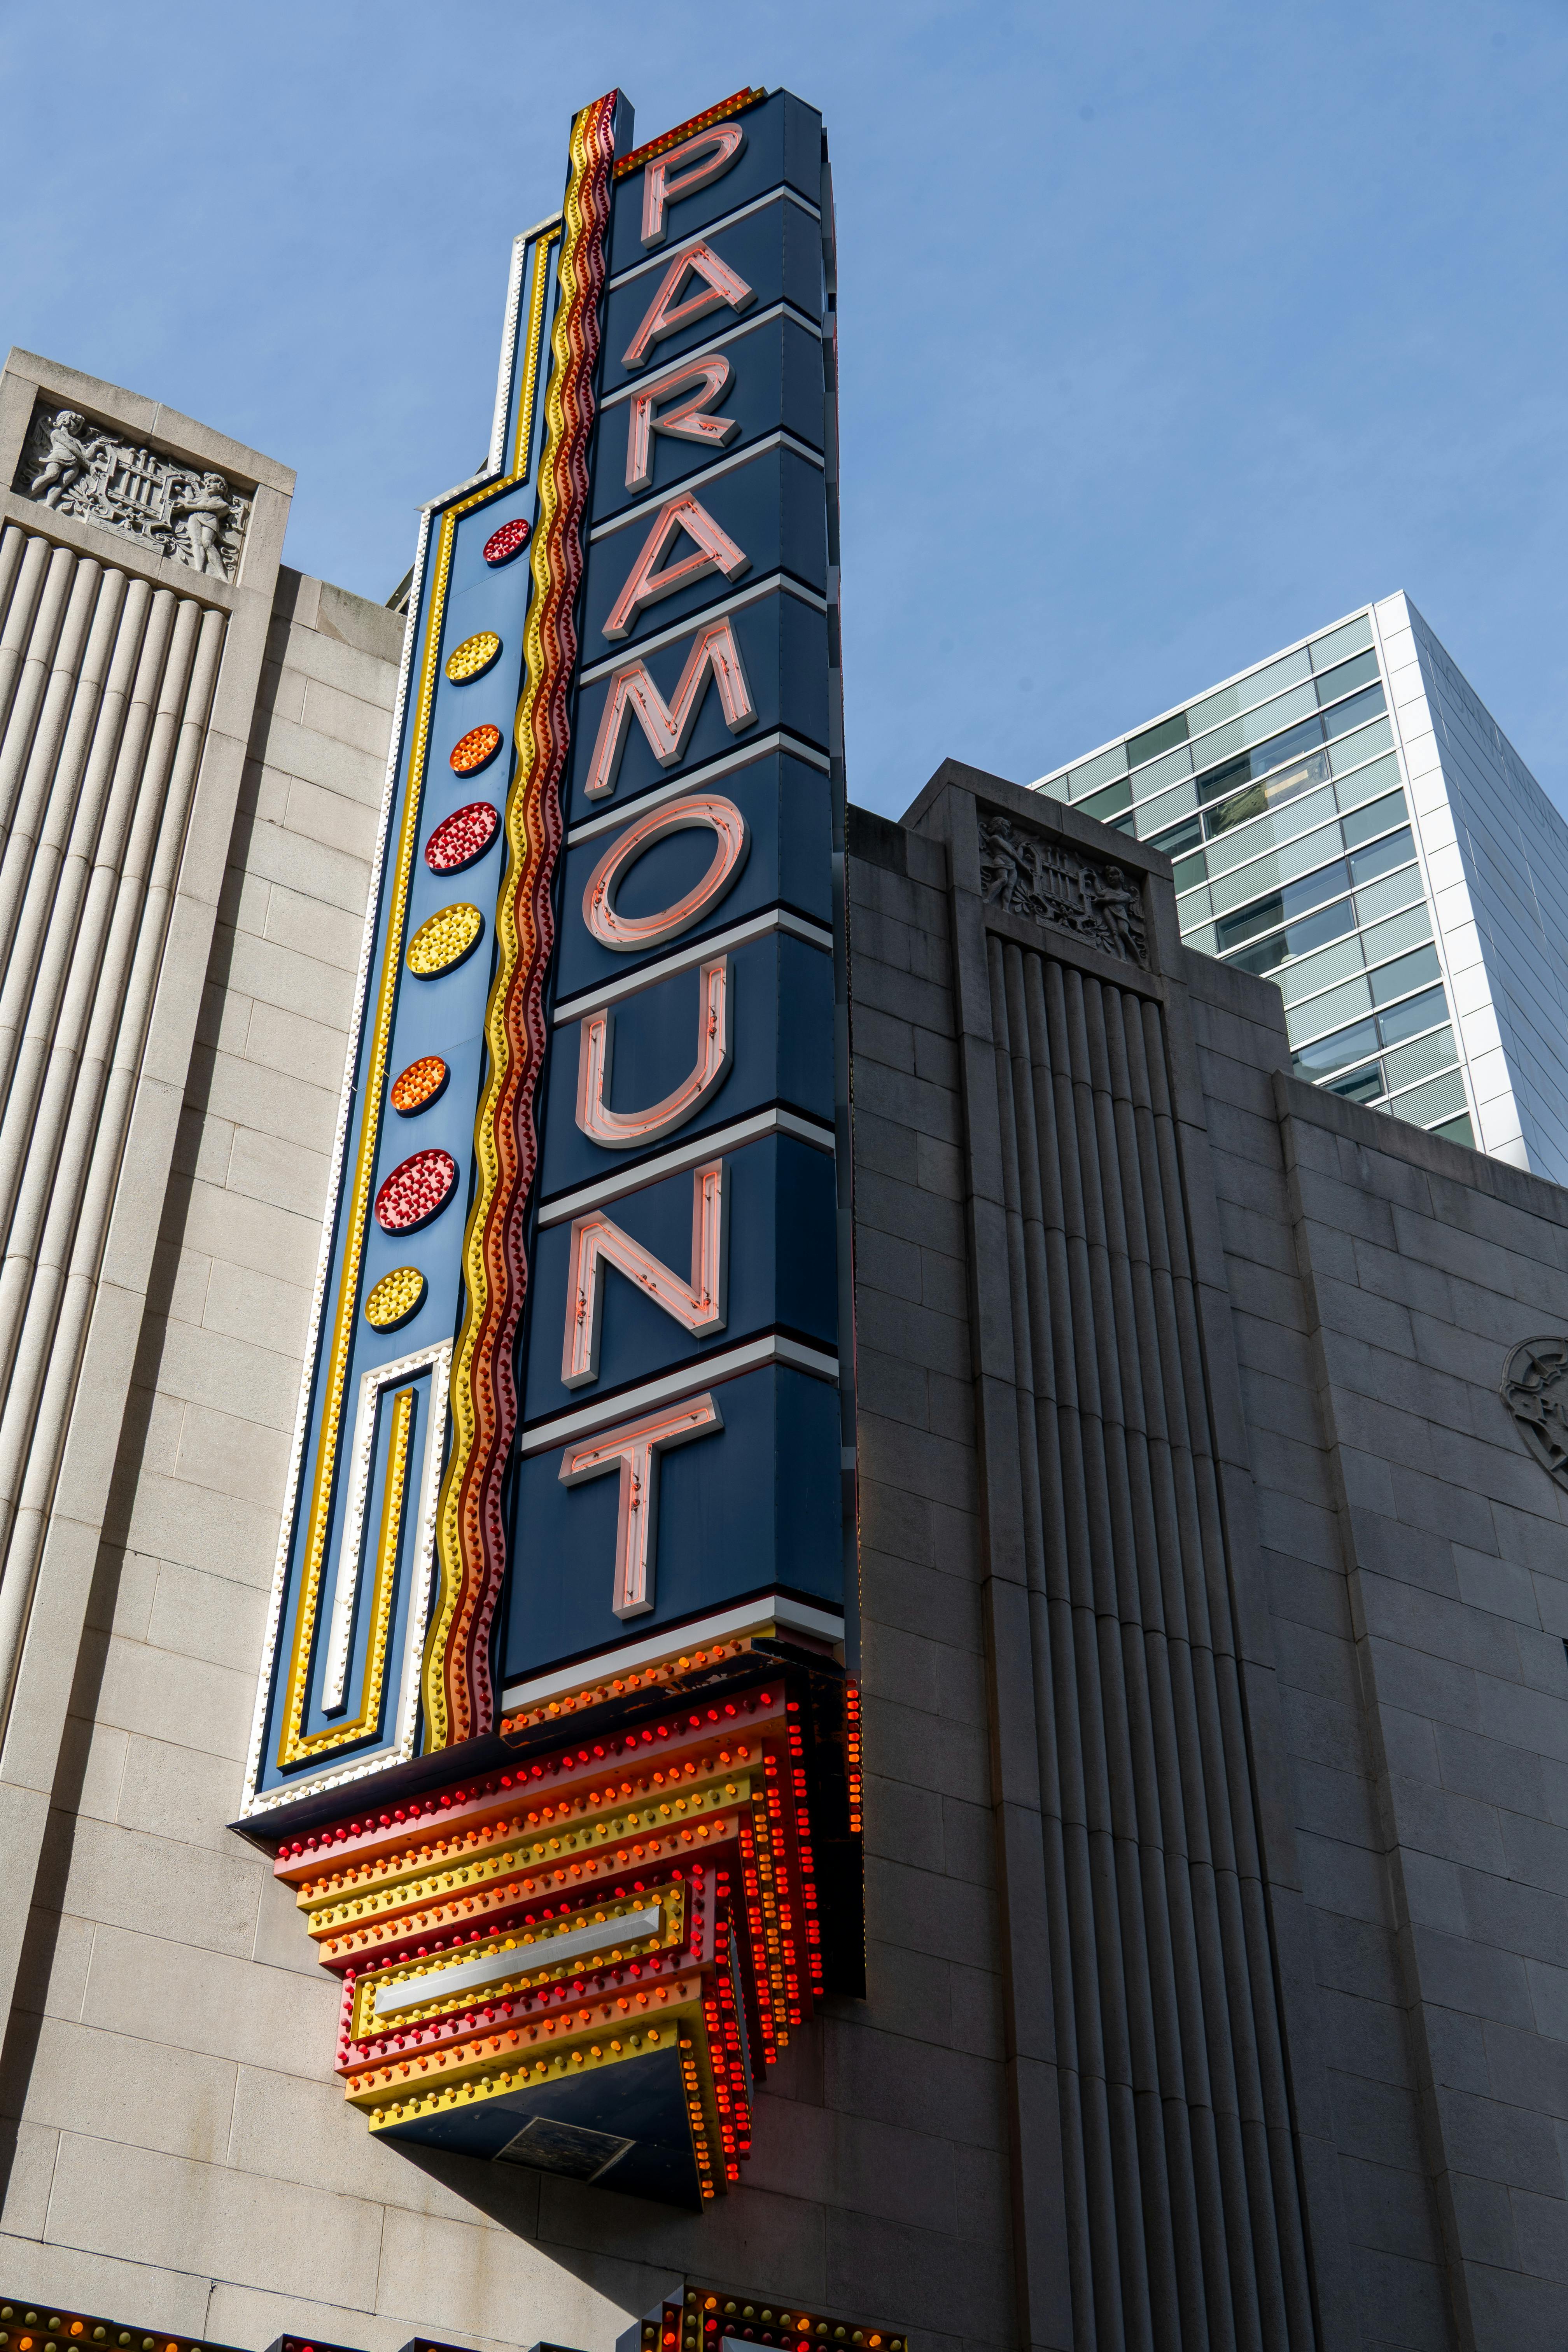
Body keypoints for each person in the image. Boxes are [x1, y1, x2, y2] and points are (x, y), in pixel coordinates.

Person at [29, 410, 104, 509]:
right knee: (52, 476)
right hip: (58, 458)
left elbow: (86, 456)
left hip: (75, 465)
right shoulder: (57, 433)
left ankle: (49, 505)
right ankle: (28, 494)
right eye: (76, 423)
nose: (78, 428)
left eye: (80, 426)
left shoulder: (77, 441)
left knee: (62, 484)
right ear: (66, 421)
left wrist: (95, 446)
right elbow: (71, 448)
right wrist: (89, 465)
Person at [167, 471, 235, 577]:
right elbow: (190, 501)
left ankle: (222, 574)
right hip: (195, 518)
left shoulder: (224, 505)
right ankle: (199, 569)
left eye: (211, 482)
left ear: (221, 486)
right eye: (206, 483)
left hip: (210, 520)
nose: (207, 485)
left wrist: (186, 509)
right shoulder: (203, 499)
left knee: (207, 543)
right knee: (196, 542)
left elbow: (207, 508)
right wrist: (188, 486)